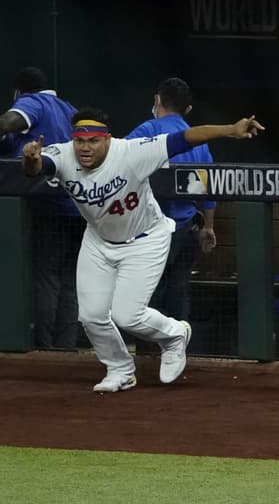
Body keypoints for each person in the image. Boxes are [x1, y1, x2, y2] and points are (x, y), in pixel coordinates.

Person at [22, 107, 264, 393]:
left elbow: (185, 138)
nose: (85, 148)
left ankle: (175, 335)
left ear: (108, 140)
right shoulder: (63, 154)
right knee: (90, 316)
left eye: (93, 141)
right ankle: (120, 369)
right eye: (80, 141)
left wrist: (230, 130)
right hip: (99, 240)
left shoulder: (132, 152)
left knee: (127, 315)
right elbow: (37, 168)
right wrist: (31, 159)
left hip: (145, 239)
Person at [1, 66, 84, 349]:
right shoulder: (68, 108)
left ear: (19, 91)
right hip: (78, 206)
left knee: (47, 278)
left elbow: (8, 122)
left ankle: (45, 349)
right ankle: (66, 348)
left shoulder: (33, 102)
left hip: (47, 205)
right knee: (70, 282)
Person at [125, 77, 216, 323]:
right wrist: (208, 226)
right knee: (178, 291)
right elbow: (209, 191)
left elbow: (118, 162)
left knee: (151, 292)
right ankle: (176, 349)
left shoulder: (149, 129)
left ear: (157, 100)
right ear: (188, 110)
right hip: (188, 229)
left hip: (156, 230)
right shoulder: (198, 140)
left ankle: (148, 354)